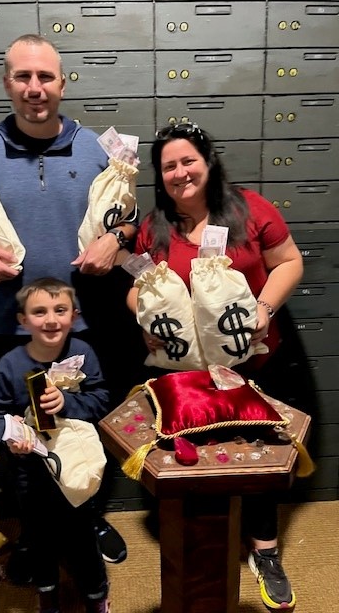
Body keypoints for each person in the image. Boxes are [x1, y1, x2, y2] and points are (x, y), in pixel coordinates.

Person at [0, 34, 134, 571]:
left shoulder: (97, 149)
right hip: (12, 327)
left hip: (84, 324)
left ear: (63, 84)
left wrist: (117, 239)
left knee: (83, 427)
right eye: (23, 76)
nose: (35, 87)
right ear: (7, 84)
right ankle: (35, 527)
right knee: (22, 433)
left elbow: (128, 218)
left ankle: (88, 518)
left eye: (45, 76)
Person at [126, 122, 304, 610]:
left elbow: (289, 261)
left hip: (253, 363)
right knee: (197, 457)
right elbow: (138, 287)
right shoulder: (155, 227)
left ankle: (265, 549)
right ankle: (200, 541)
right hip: (188, 376)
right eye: (169, 166)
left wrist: (264, 309)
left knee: (259, 454)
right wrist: (147, 321)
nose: (180, 173)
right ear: (160, 175)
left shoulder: (249, 209)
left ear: (208, 161)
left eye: (188, 161)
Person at [0, 277, 110, 613]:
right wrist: (10, 436)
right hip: (30, 470)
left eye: (60, 310)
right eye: (39, 312)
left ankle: (96, 593)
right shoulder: (10, 364)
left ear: (74, 316)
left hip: (76, 467)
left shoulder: (84, 353)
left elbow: (100, 401)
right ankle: (47, 592)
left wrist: (67, 403)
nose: (51, 319)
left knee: (82, 534)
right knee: (38, 535)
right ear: (23, 320)